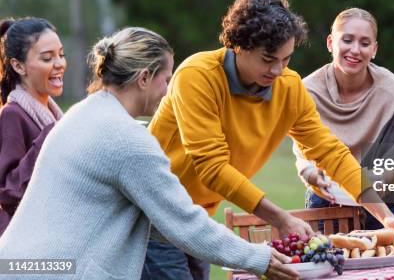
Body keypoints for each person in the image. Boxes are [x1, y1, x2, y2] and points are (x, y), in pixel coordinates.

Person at [146, 0, 394, 279]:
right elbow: (212, 166)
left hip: (196, 217)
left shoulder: (289, 87)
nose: (278, 70)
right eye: (268, 59)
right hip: (153, 210)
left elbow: (331, 153)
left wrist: (386, 217)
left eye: (286, 59)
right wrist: (280, 218)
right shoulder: (198, 75)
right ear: (239, 44)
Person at [0, 27, 299, 280]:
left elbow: (164, 222)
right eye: (166, 79)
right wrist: (259, 259)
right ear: (144, 78)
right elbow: (184, 223)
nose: (169, 91)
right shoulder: (127, 141)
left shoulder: (83, 112)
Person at [291, 8, 394, 229]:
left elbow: (393, 160)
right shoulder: (307, 90)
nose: (355, 50)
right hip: (326, 201)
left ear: (374, 49)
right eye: (347, 40)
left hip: (380, 202)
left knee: (384, 262)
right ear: (330, 43)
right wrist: (309, 172)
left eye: (365, 43)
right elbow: (304, 151)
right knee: (323, 262)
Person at [0, 17, 64, 235]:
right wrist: (48, 137)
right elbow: (8, 193)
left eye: (61, 54)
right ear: (18, 66)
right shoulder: (12, 115)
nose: (59, 64)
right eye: (47, 58)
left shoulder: (53, 115)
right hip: (24, 247)